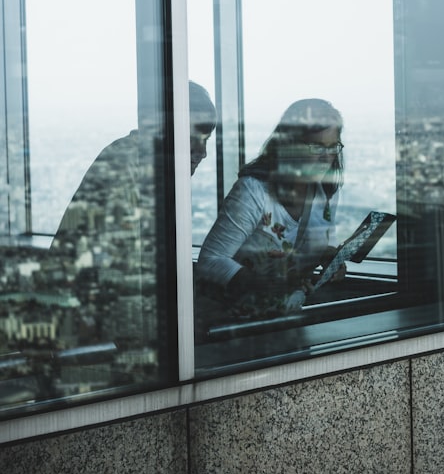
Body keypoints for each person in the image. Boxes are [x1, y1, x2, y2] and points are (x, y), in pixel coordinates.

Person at [195, 98, 345, 317]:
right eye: (317, 147)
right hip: (231, 324)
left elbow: (306, 248)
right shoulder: (253, 191)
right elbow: (210, 262)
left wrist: (329, 259)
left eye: (333, 147)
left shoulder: (327, 192)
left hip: (287, 321)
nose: (327, 157)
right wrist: (267, 284)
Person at [51, 81, 217, 267]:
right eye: (192, 138)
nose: (203, 152)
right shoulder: (125, 164)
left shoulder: (151, 163)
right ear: (164, 129)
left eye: (206, 140)